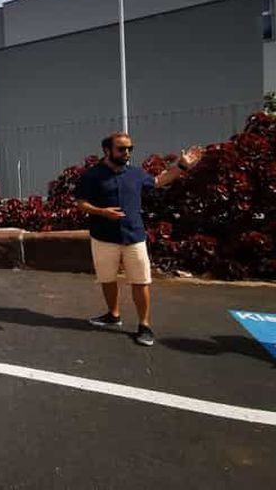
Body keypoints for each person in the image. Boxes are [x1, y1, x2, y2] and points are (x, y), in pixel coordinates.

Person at [75, 132, 203, 346]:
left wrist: (181, 166)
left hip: (134, 236)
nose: (127, 153)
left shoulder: (135, 174)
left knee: (140, 281)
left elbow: (158, 181)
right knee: (107, 279)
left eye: (129, 149)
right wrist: (102, 212)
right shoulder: (92, 176)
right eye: (122, 149)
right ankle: (113, 315)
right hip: (104, 237)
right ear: (107, 150)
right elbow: (81, 203)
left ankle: (144, 325)